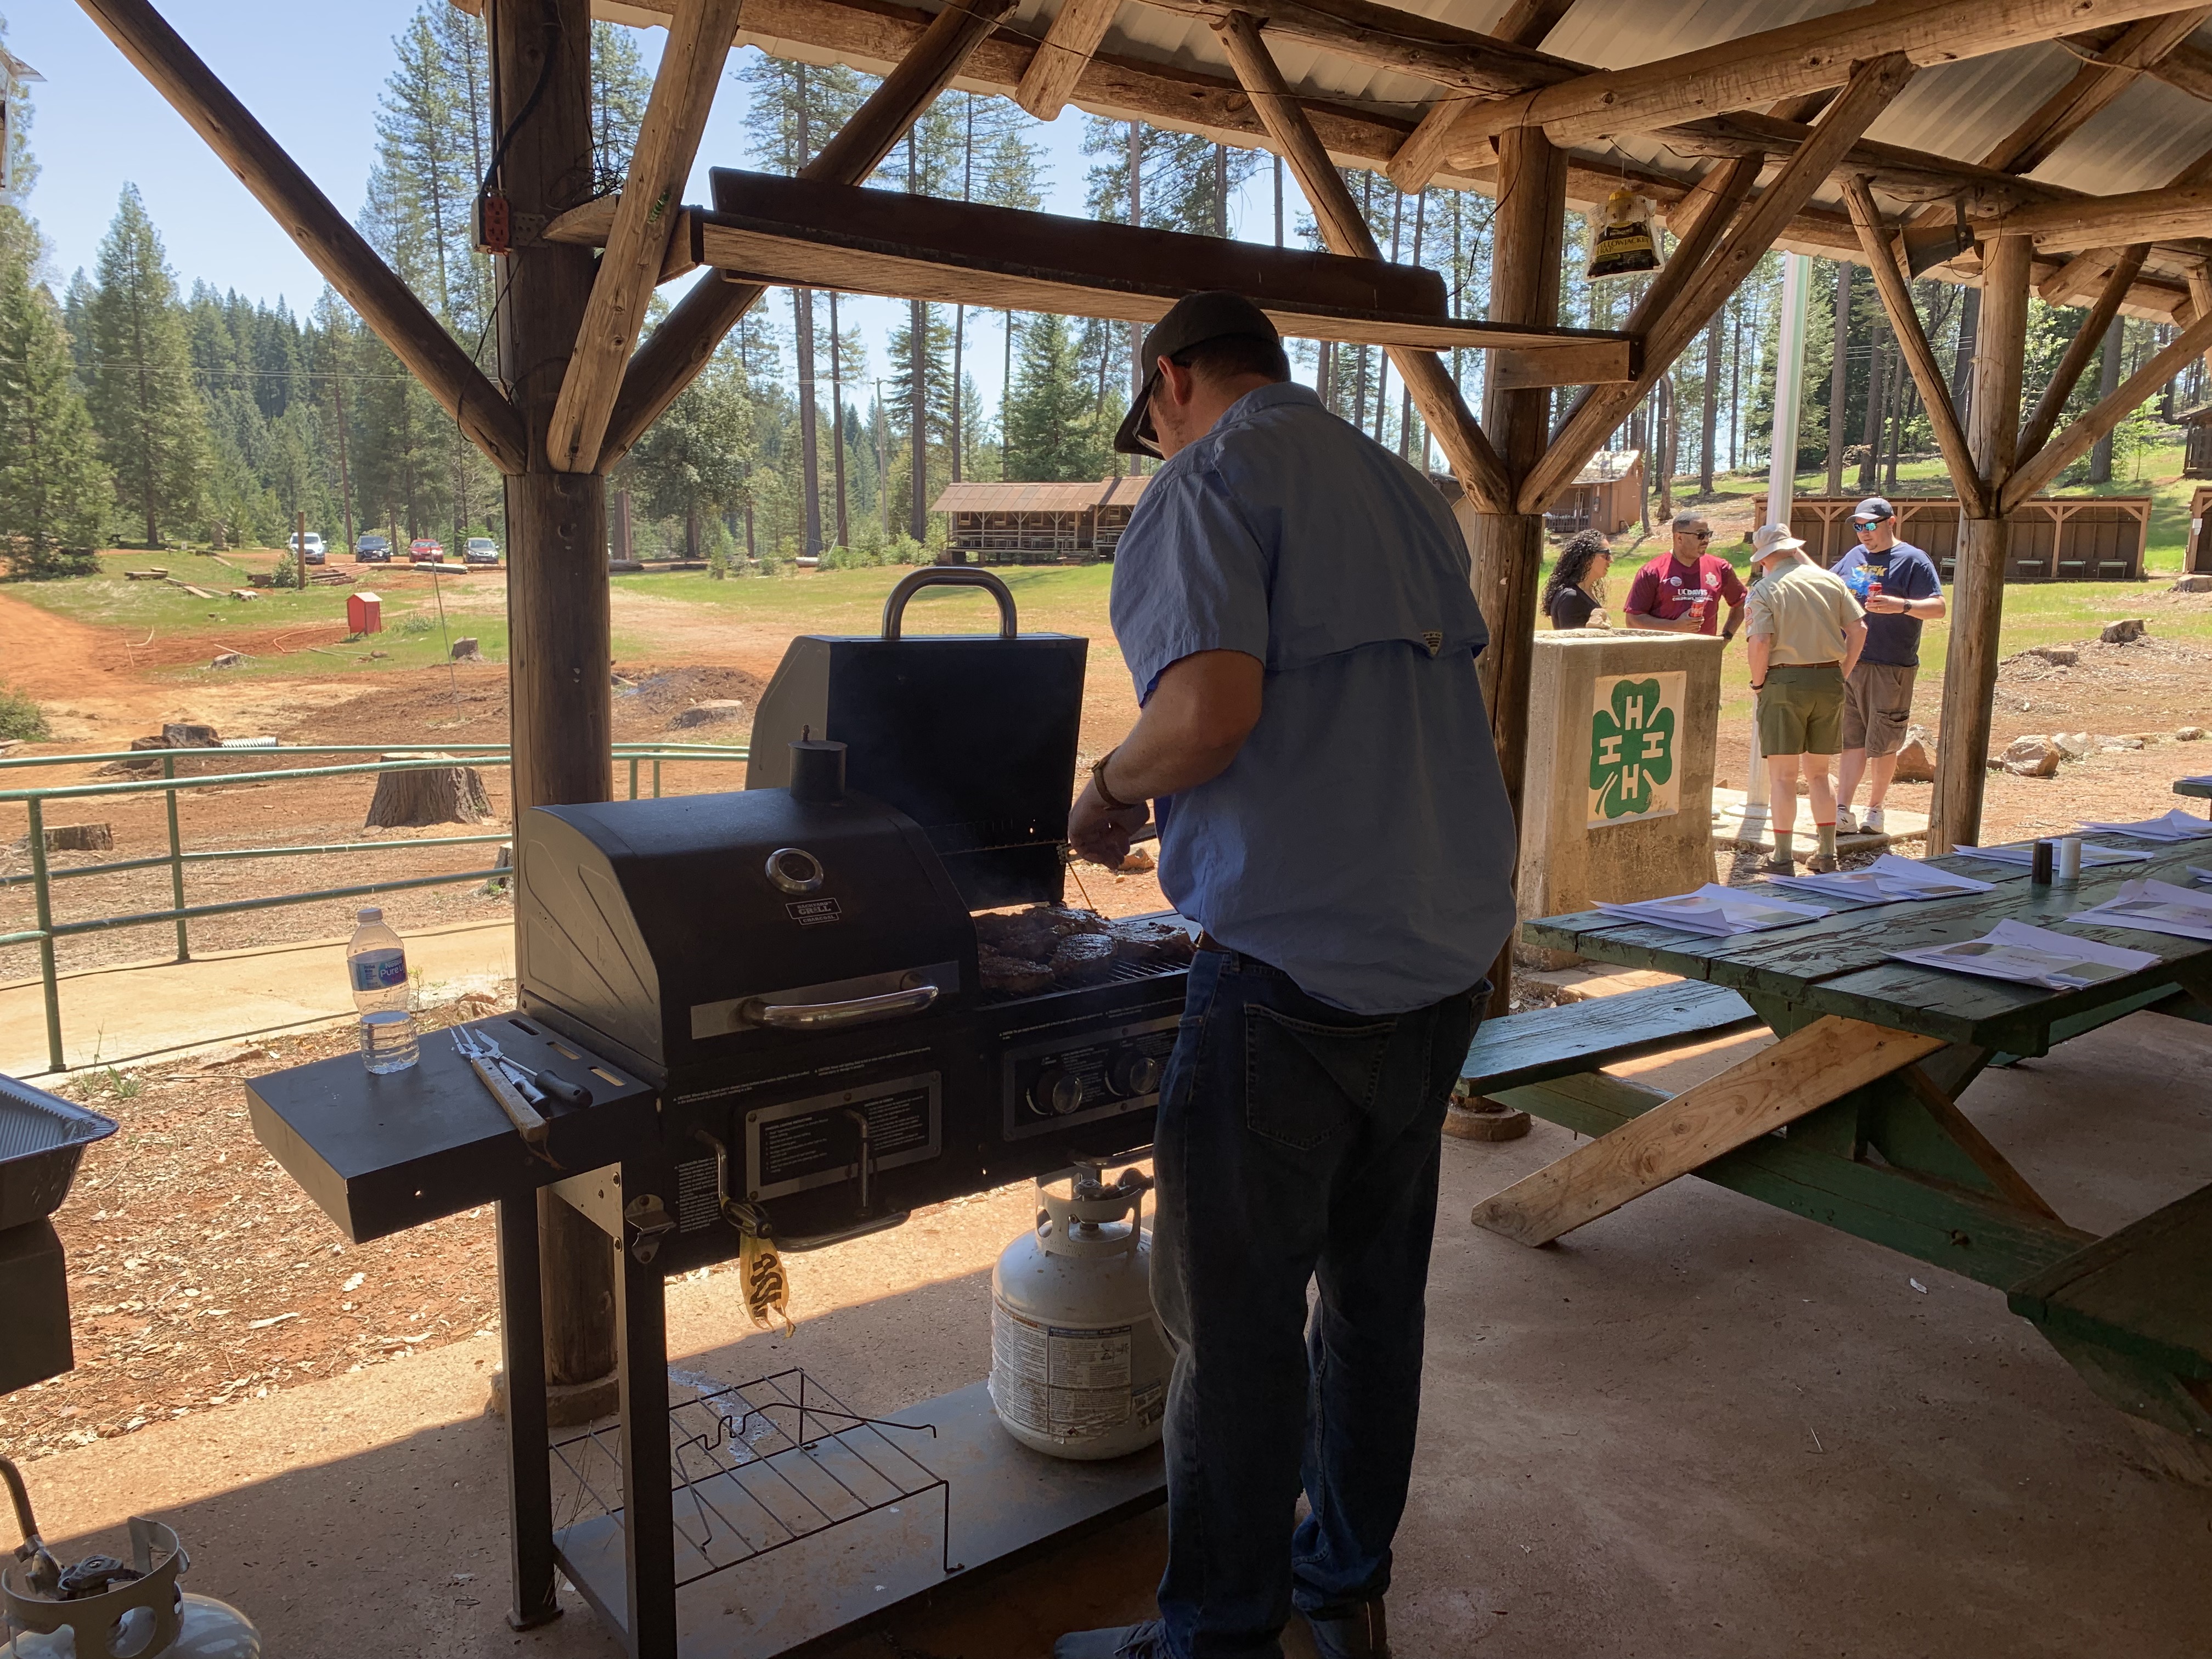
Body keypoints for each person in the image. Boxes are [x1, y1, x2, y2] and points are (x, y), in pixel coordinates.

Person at [1058, 291, 1516, 1659]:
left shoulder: (1208, 482)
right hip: (1440, 965)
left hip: (1291, 985)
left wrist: (1107, 792)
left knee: (1236, 1331)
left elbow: (1207, 712)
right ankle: (1344, 1585)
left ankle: (1216, 1638)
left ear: (1172, 381)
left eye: (1153, 423)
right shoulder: (1408, 491)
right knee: (1374, 1306)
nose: (1158, 443)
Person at [1743, 522, 1867, 873]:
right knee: (1820, 773)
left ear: (1764, 558)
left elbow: (1760, 642)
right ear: (1793, 548)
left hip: (1784, 681)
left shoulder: (1765, 589)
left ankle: (1782, 857)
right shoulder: (1829, 580)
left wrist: (1758, 684)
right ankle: (1827, 853)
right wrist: (1842, 672)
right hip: (1829, 680)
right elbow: (1859, 629)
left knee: (1783, 776)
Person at [1829, 495, 1945, 834]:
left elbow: (1938, 608)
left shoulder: (1913, 560)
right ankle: (1842, 810)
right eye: (1858, 526)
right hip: (1850, 661)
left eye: (1870, 525)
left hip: (1891, 665)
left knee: (1884, 741)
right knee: (1851, 740)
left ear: (1891, 522)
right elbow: (1826, 585)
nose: (1863, 532)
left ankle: (1875, 809)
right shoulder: (1853, 557)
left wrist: (1902, 605)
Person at [1622, 509, 1747, 644]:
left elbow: (1741, 602)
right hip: (1662, 654)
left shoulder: (1720, 568)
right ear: (1679, 538)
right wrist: (1675, 626)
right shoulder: (1652, 571)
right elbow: (1633, 621)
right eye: (1700, 535)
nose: (1706, 540)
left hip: (1704, 654)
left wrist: (1726, 637)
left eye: (1708, 534)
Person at [1542, 528, 1612, 629]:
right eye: (1606, 555)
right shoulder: (1571, 597)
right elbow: (1572, 638)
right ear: (1588, 558)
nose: (1611, 560)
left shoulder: (1583, 593)